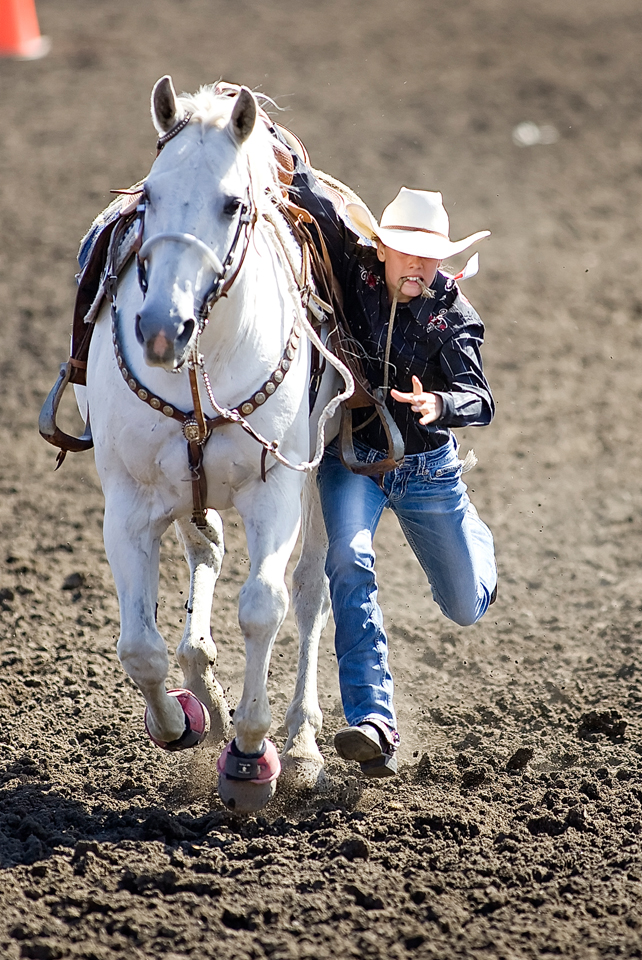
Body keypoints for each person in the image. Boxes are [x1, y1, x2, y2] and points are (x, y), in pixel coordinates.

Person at [288, 160, 498, 778]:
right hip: (353, 458)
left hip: (427, 467)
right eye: (406, 253)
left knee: (464, 605)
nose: (419, 267)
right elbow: (312, 203)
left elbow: (479, 398)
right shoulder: (350, 272)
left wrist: (440, 403)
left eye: (430, 258)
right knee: (347, 562)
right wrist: (282, 156)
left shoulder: (451, 312)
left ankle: (474, 542)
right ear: (381, 248)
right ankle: (374, 721)